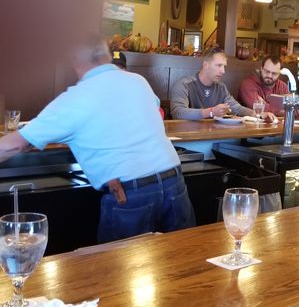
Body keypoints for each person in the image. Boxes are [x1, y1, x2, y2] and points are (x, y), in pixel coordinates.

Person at [0, 37, 195, 243]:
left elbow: (15, 144)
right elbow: (143, 113)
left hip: (130, 195)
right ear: (108, 55)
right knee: (182, 258)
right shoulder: (138, 81)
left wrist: (33, 138)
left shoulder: (76, 98)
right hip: (174, 184)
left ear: (74, 61)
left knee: (118, 265)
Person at [170, 48, 263, 120]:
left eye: (224, 66)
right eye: (219, 65)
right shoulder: (184, 84)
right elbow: (178, 113)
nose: (223, 71)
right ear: (206, 65)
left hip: (214, 134)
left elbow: (236, 108)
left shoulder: (221, 87)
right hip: (190, 135)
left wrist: (257, 114)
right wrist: (210, 112)